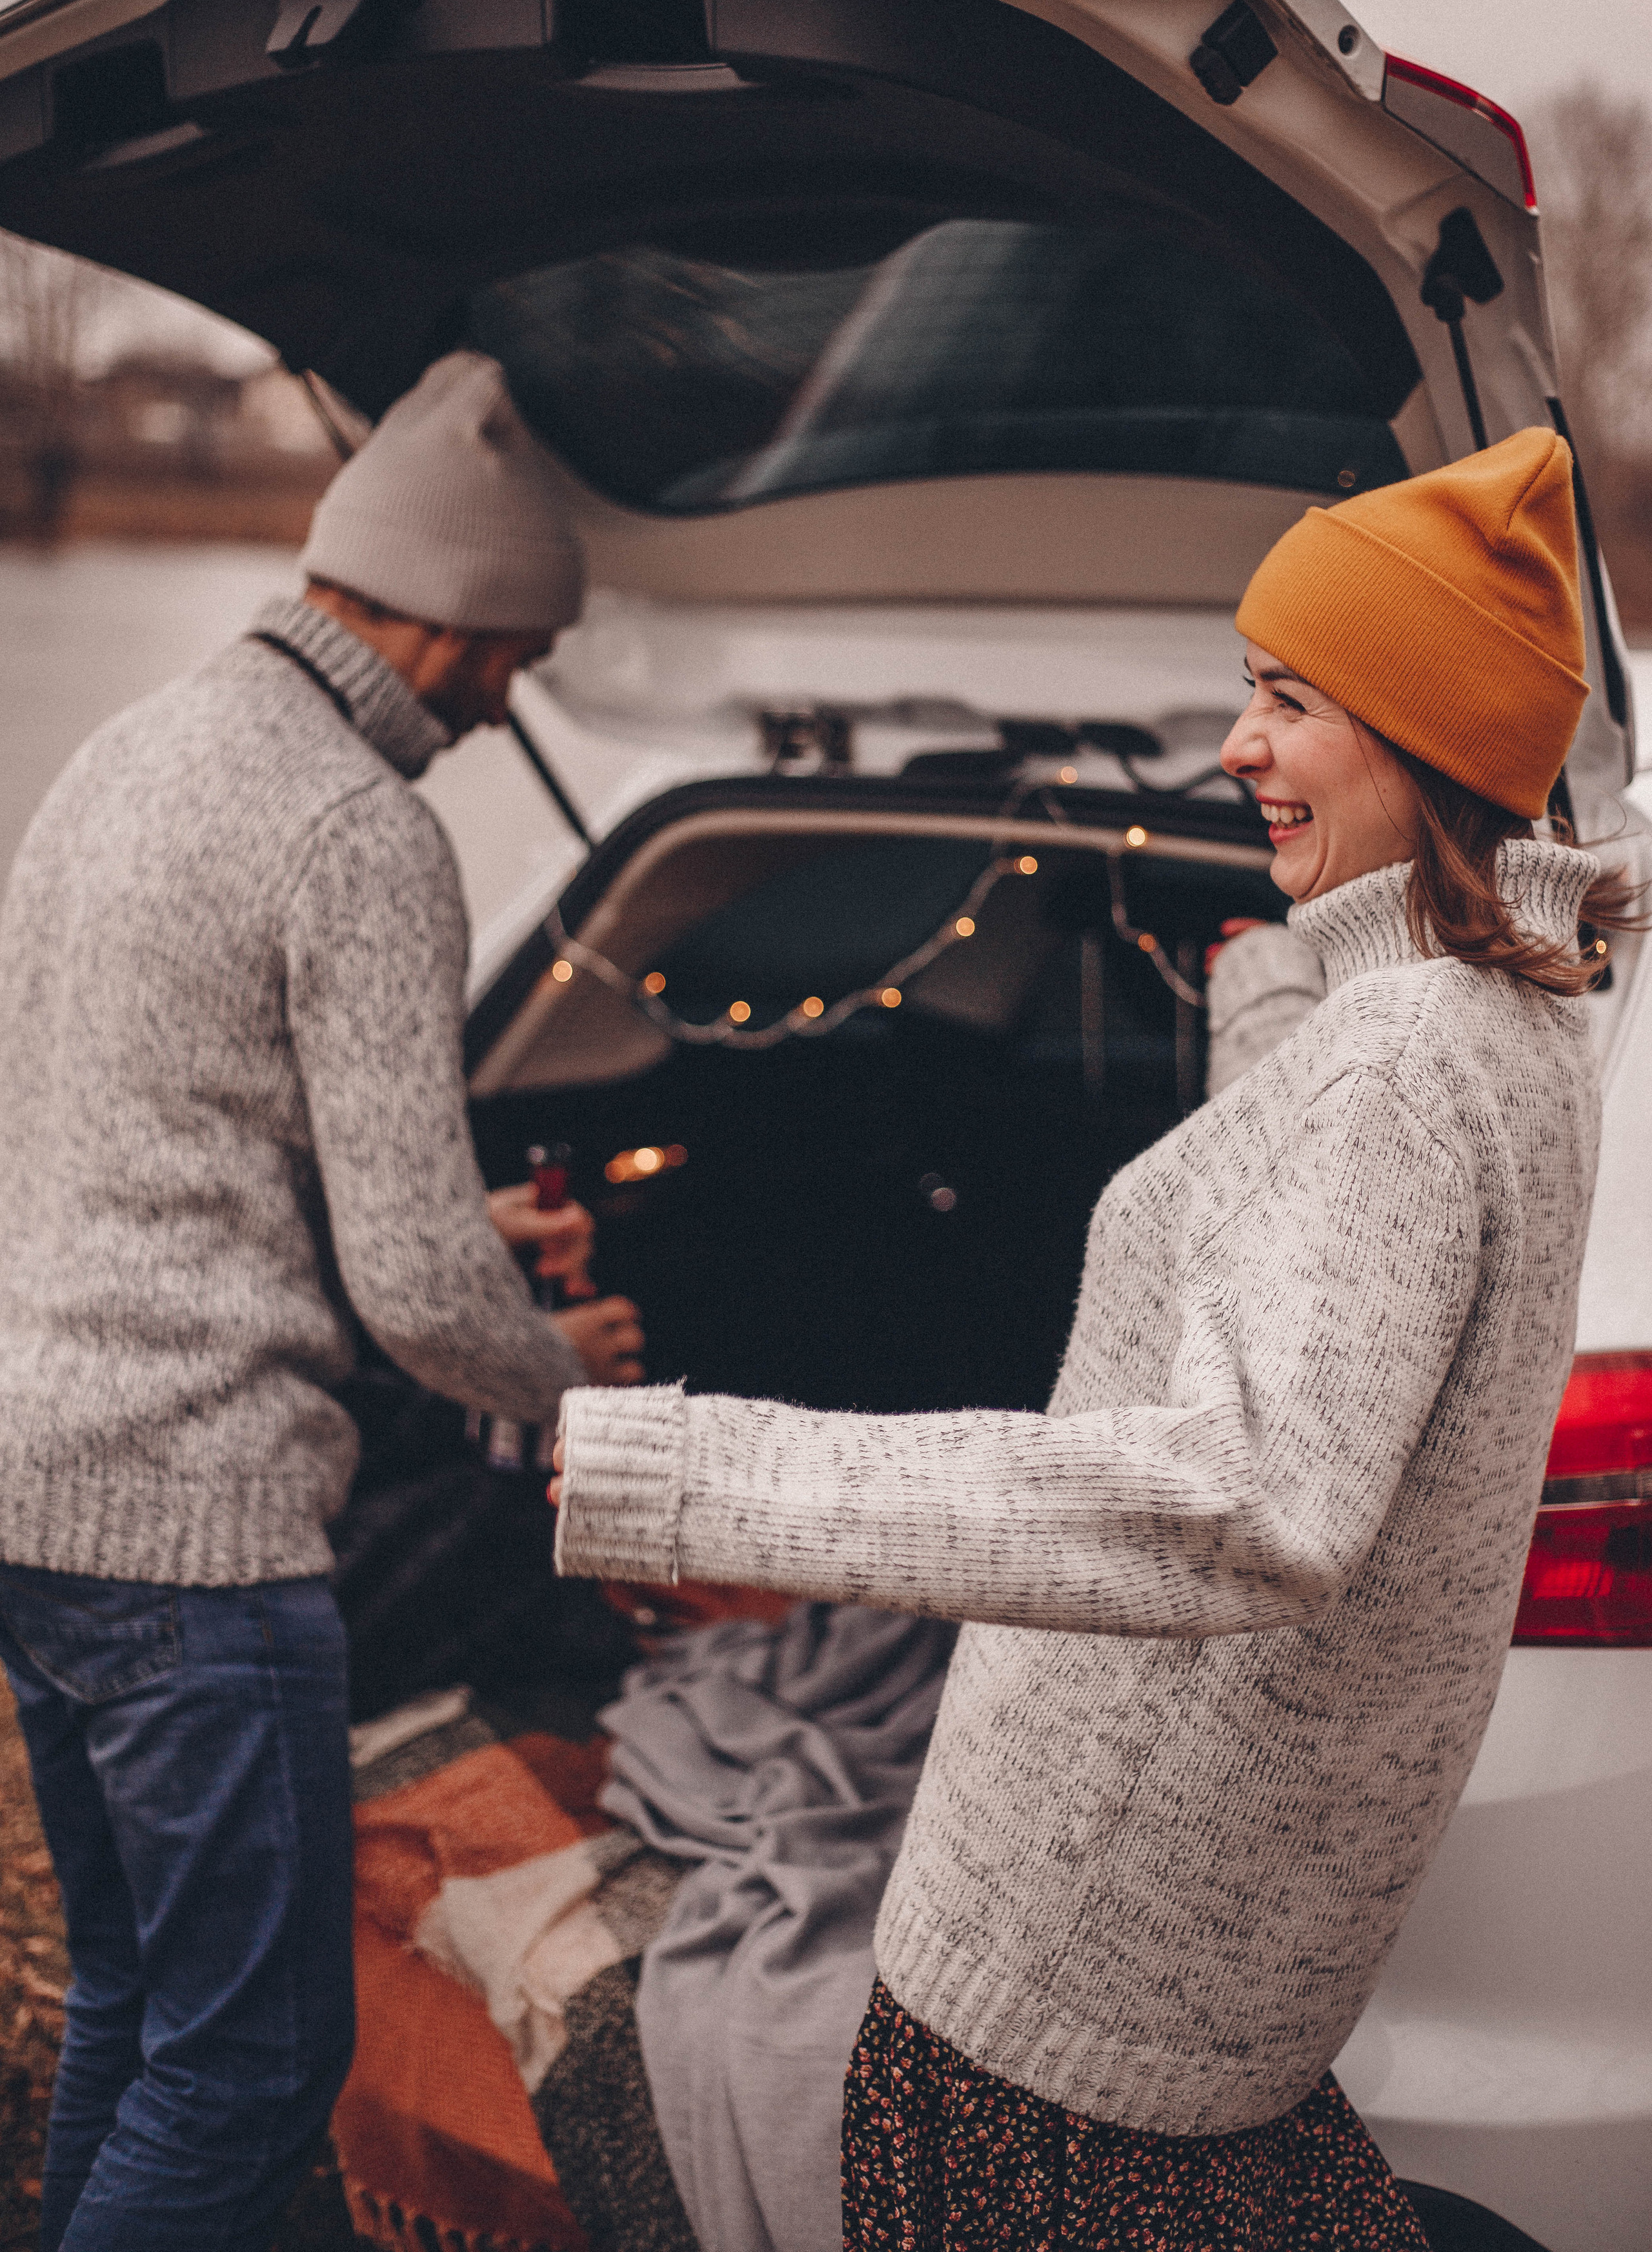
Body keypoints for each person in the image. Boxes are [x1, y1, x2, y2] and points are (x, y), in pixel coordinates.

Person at [552, 428, 1631, 2248]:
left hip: (1072, 1994)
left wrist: (706, 1475)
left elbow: (1248, 1495)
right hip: (1199, 1964)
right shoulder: (1507, 1021)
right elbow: (1327, 1230)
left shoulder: (1405, 1068)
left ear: (1418, 728)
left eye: (1287, 698)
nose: (1235, 746)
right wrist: (1274, 985)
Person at [0, 351, 641, 2252]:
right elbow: (425, 1296)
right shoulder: (360, 832)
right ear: (453, 617)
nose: (504, 698)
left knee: (139, 2007)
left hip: (34, 1489)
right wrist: (573, 1395)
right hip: (194, 1539)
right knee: (255, 2066)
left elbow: (129, 1136)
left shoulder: (128, 748)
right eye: (519, 654)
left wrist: (442, 1237)